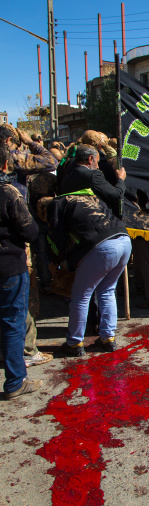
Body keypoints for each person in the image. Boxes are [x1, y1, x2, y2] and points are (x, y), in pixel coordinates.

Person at [46, 186, 132, 356]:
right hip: (124, 240)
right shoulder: (87, 196)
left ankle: (74, 343)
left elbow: (56, 237)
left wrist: (55, 262)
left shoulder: (55, 205)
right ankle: (108, 338)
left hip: (102, 247)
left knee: (81, 295)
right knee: (107, 290)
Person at [0, 143, 42, 399]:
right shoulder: (8, 193)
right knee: (13, 322)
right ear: (6, 165)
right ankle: (15, 381)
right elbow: (30, 230)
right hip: (9, 266)